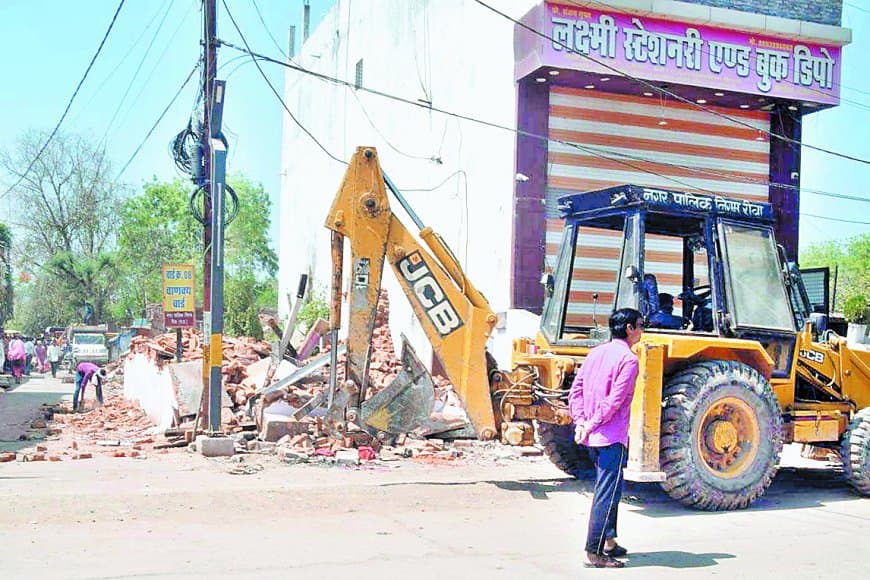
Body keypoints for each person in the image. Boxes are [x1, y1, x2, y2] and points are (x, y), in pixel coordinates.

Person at [569, 308, 643, 569]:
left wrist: (581, 422)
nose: (641, 331)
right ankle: (595, 550)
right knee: (607, 493)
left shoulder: (595, 353)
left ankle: (609, 540)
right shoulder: (630, 360)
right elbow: (615, 401)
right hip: (611, 436)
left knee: (612, 487)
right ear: (629, 329)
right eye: (640, 326)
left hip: (591, 436)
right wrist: (589, 423)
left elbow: (575, 391)